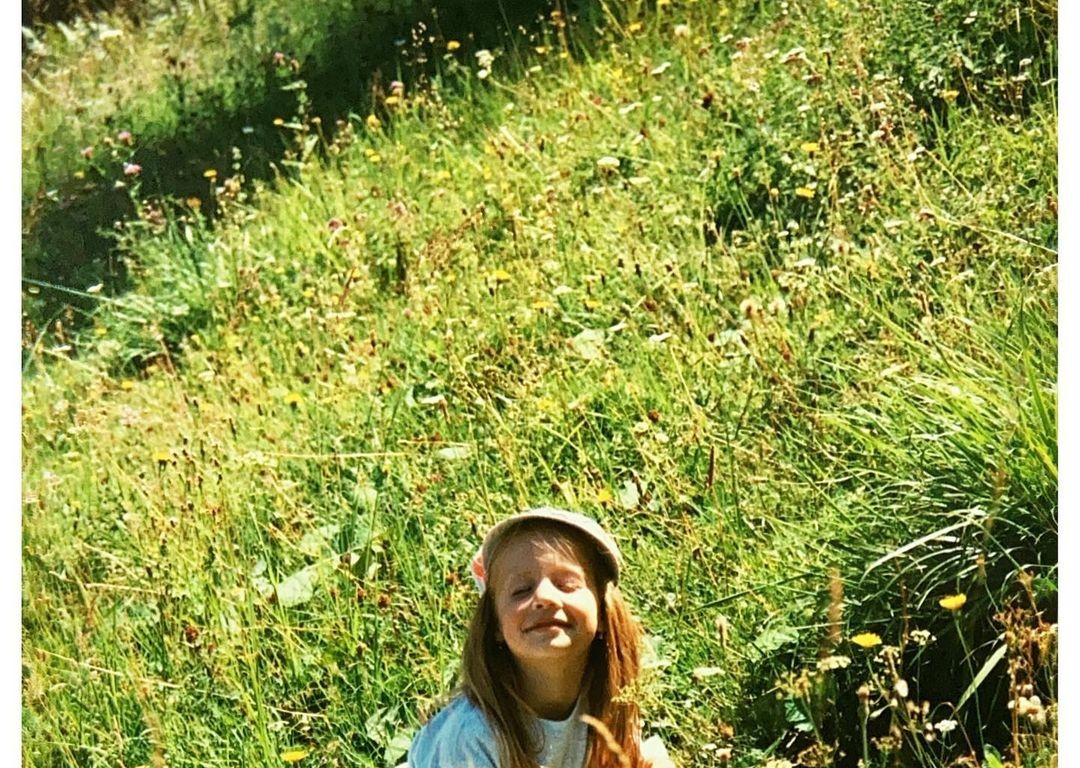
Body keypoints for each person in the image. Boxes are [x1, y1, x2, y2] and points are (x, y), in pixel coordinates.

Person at [406, 506, 674, 768]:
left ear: (603, 613)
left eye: (567, 584)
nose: (544, 597)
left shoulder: (606, 703)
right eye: (521, 590)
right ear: (495, 625)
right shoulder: (471, 736)